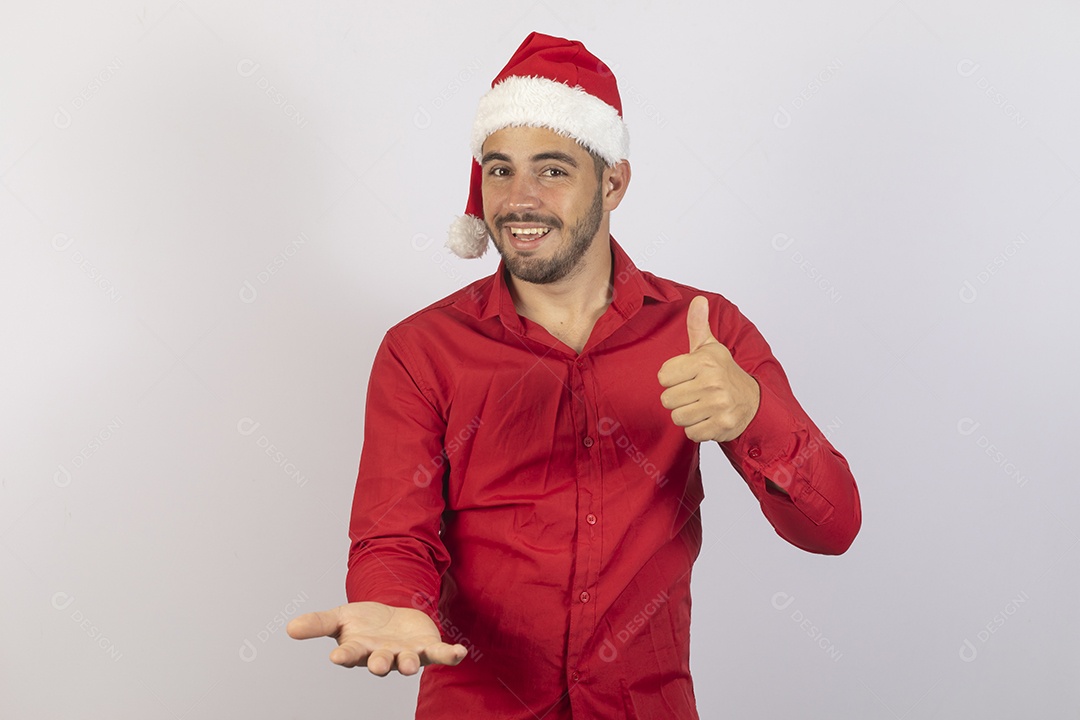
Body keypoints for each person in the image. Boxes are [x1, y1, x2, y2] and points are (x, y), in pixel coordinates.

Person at [288, 32, 861, 719]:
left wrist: (754, 414)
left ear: (612, 182)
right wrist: (394, 605)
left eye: (552, 170)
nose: (519, 199)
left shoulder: (706, 330)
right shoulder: (422, 350)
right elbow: (394, 534)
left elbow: (835, 528)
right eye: (499, 170)